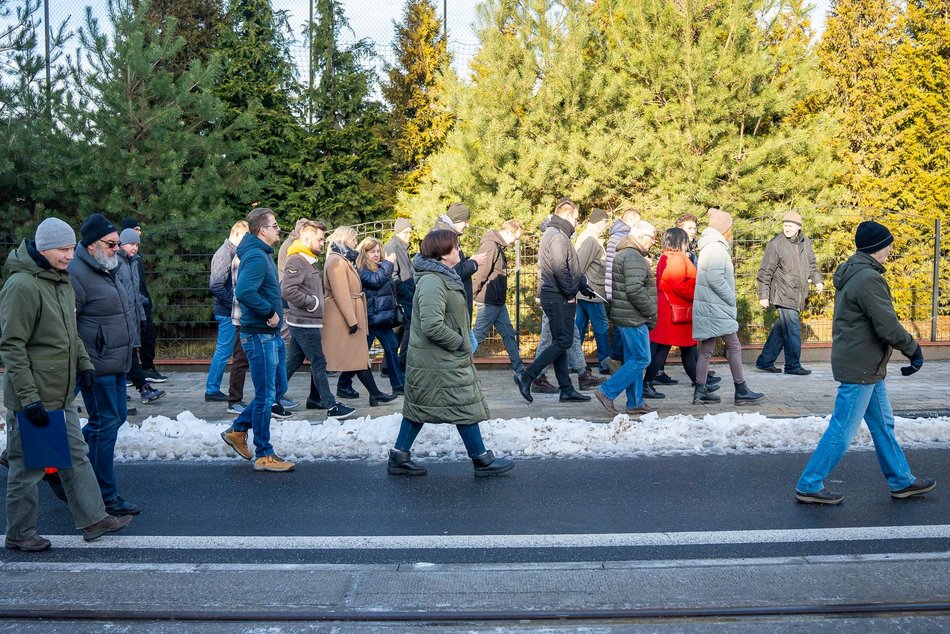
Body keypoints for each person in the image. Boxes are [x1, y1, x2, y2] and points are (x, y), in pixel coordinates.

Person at [1, 218, 134, 551]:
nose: (69, 256)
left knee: (76, 456)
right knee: (29, 469)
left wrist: (85, 364)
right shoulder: (22, 286)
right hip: (35, 395)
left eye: (71, 248)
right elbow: (12, 346)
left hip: (60, 392)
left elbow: (70, 332)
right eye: (63, 249)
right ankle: (20, 534)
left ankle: (94, 519)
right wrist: (29, 399)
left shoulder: (59, 279)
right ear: (44, 248)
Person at [794, 221, 934, 504]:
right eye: (888, 244)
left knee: (883, 425)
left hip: (867, 365)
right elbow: (887, 325)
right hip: (861, 366)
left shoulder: (855, 272)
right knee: (843, 428)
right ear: (876, 247)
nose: (891, 248)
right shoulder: (868, 279)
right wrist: (913, 349)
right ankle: (809, 484)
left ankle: (901, 481)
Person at [386, 229, 514, 477]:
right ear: (443, 254)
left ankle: (399, 456)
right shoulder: (433, 281)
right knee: (461, 402)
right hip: (439, 358)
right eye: (455, 247)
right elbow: (432, 325)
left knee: (423, 405)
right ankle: (481, 459)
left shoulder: (442, 276)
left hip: (438, 358)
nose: (459, 250)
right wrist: (460, 342)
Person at [69, 213, 140, 515]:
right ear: (91, 244)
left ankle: (68, 464)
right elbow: (68, 324)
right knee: (105, 423)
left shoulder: (108, 266)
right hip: (96, 364)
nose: (117, 248)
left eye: (117, 243)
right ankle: (103, 494)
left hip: (116, 360)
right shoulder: (77, 273)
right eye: (111, 243)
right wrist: (83, 361)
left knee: (114, 419)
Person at [219, 207, 295, 472]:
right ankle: (264, 454)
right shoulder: (255, 256)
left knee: (277, 389)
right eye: (274, 226)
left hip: (269, 334)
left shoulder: (260, 253)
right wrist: (269, 312)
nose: (278, 229)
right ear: (262, 230)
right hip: (259, 334)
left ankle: (238, 429)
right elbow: (244, 291)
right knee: (265, 396)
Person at [514, 197, 595, 403]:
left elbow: (570, 266)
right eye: (576, 218)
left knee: (561, 341)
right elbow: (560, 269)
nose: (577, 223)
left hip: (557, 295)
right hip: (558, 297)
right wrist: (570, 293)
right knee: (563, 341)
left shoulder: (558, 233)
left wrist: (582, 285)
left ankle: (566, 389)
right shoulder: (557, 235)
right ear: (567, 214)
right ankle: (527, 376)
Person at [281, 221, 356, 419]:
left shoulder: (307, 259)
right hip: (304, 322)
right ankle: (331, 406)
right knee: (319, 362)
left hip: (306, 321)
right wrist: (312, 303)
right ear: (307, 238)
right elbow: (287, 290)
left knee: (293, 362)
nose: (323, 243)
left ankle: (270, 398)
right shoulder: (297, 260)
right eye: (320, 239)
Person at [691, 208, 764, 405]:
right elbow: (715, 279)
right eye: (730, 227)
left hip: (709, 306)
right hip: (717, 307)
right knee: (734, 346)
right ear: (724, 228)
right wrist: (730, 297)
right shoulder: (716, 248)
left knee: (706, 350)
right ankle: (741, 390)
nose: (732, 231)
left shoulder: (709, 246)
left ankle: (700, 391)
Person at [323, 226, 397, 407]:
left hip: (355, 313)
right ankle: (325, 394)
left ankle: (375, 393)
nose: (355, 243)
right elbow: (341, 294)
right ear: (344, 239)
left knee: (358, 357)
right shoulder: (337, 261)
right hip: (348, 316)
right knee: (331, 359)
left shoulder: (343, 259)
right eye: (353, 239)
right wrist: (352, 321)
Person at [642, 228, 719, 398]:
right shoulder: (677, 258)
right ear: (680, 241)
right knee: (677, 348)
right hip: (676, 311)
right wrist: (697, 293)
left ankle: (699, 385)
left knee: (676, 348)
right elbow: (678, 284)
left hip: (670, 310)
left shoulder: (667, 256)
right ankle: (647, 384)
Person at [593, 221, 658, 417]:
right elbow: (635, 289)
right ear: (640, 236)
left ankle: (635, 403)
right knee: (642, 358)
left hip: (626, 315)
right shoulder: (632, 256)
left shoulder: (625, 254)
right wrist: (651, 310)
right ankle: (607, 391)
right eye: (652, 237)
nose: (653, 241)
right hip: (634, 317)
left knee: (633, 359)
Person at [755, 211, 823, 375]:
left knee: (782, 328)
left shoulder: (805, 242)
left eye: (790, 226)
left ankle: (765, 361)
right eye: (785, 225)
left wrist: (817, 280)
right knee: (792, 330)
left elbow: (811, 264)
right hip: (783, 293)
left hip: (798, 293)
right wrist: (763, 295)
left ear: (799, 227)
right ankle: (792, 365)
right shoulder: (776, 244)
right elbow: (765, 272)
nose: (787, 228)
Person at [116, 228, 165, 405]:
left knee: (128, 354)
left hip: (133, 315)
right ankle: (142, 387)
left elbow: (136, 294)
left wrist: (142, 316)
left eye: (136, 244)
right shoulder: (115, 263)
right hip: (121, 317)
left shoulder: (134, 262)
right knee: (127, 354)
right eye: (131, 244)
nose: (135, 247)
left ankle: (124, 390)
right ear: (121, 244)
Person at [471, 219, 524, 374]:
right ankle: (456, 367)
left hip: (497, 302)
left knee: (508, 334)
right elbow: (482, 273)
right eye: (515, 237)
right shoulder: (491, 246)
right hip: (489, 301)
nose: (516, 241)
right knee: (477, 336)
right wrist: (472, 295)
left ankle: (520, 370)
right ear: (508, 232)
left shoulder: (497, 246)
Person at [205, 220, 249, 402]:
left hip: (228, 310)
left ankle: (212, 388)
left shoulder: (231, 252)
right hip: (227, 312)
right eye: (245, 237)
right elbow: (215, 285)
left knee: (225, 351)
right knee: (223, 351)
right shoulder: (225, 253)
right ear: (237, 234)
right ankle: (211, 389)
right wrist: (234, 303)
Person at [356, 236, 406, 394]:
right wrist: (389, 264)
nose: (376, 254)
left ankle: (398, 385)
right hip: (371, 318)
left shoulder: (382, 267)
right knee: (360, 354)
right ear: (364, 253)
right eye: (372, 251)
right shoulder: (362, 268)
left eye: (378, 251)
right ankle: (344, 383)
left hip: (382, 319)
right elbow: (375, 281)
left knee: (392, 347)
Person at [431, 203, 489, 328]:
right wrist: (474, 263)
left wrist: (470, 260)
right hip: (453, 307)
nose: (467, 225)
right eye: (465, 221)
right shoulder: (445, 237)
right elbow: (454, 271)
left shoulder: (447, 234)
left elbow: (456, 265)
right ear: (457, 220)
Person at [574, 208, 611, 374]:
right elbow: (580, 265)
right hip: (592, 292)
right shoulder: (590, 239)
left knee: (579, 328)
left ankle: (573, 363)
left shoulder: (589, 237)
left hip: (586, 291)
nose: (606, 225)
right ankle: (605, 364)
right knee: (601, 328)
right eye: (605, 222)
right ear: (600, 221)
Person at [604, 208, 641, 371]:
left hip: (615, 287)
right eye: (637, 222)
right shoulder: (621, 237)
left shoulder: (617, 236)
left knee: (620, 326)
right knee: (621, 327)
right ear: (630, 220)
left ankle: (618, 360)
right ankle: (616, 360)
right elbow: (617, 264)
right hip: (619, 288)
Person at [383, 218, 415, 371]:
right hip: (401, 296)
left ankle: (388, 366)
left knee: (399, 330)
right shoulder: (392, 247)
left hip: (405, 295)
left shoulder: (402, 247)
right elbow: (393, 277)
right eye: (405, 232)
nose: (409, 235)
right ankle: (400, 364)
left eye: (410, 232)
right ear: (398, 232)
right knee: (408, 328)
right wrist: (409, 294)